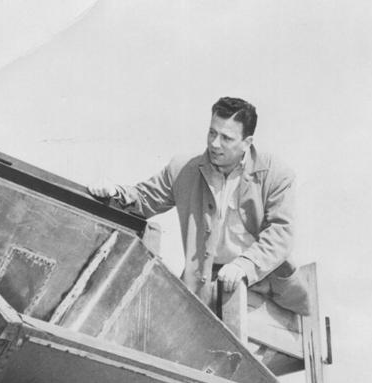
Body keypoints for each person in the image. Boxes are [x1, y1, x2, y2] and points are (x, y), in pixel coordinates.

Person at [88, 96, 310, 316]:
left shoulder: (277, 174)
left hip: (263, 288)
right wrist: (114, 192)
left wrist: (244, 265)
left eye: (226, 138)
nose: (214, 144)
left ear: (247, 143)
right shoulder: (182, 169)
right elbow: (144, 199)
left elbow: (281, 234)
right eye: (212, 133)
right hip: (202, 289)